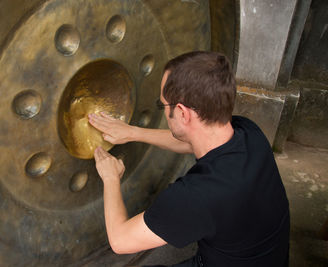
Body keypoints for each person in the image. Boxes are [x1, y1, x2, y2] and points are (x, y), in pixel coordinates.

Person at [88, 51, 290, 267]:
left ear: (183, 113)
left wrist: (111, 178)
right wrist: (133, 132)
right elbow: (190, 141)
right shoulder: (250, 133)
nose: (164, 111)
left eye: (162, 105)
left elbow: (120, 241)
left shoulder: (196, 196)